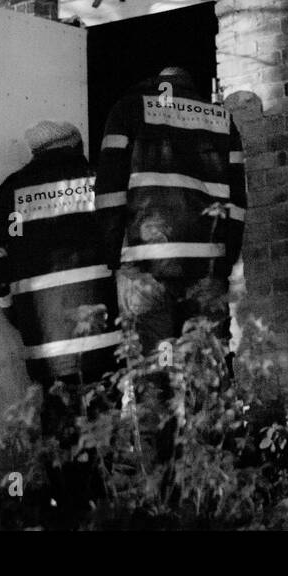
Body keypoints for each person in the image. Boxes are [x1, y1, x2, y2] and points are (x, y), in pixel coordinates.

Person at [0, 119, 121, 516]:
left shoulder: (11, 195)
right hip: (102, 336)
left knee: (58, 420)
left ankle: (67, 504)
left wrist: (17, 315)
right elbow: (122, 243)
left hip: (45, 339)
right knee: (101, 415)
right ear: (76, 146)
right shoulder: (99, 181)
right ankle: (101, 502)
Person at [95, 65, 244, 373]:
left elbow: (109, 193)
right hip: (207, 265)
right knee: (205, 366)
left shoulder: (128, 109)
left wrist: (112, 258)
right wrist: (226, 260)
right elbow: (238, 202)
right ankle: (207, 419)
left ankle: (158, 420)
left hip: (145, 263)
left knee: (155, 362)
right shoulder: (222, 120)